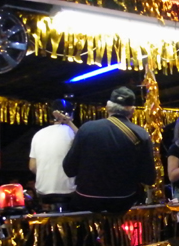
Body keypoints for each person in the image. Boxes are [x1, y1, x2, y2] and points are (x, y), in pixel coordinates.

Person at [63, 86, 156, 214]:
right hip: (124, 200)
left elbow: (69, 169)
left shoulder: (86, 129)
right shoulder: (141, 134)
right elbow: (149, 178)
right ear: (132, 111)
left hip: (87, 198)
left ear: (108, 107)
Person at [29, 99, 77, 208]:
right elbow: (88, 143)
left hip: (43, 192)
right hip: (70, 192)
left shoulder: (38, 134)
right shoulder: (74, 134)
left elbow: (32, 167)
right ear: (71, 115)